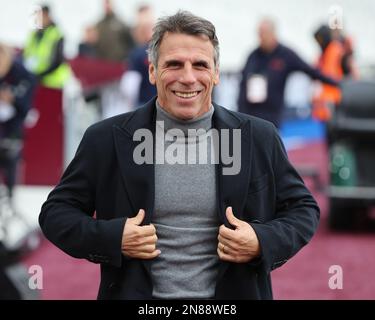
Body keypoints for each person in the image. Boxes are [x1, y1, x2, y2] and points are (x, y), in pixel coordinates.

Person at [39, 11, 319, 300]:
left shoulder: (260, 137)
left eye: (200, 65)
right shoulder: (105, 139)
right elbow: (56, 214)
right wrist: (113, 237)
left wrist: (261, 241)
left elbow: (303, 209)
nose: (188, 78)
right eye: (174, 64)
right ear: (152, 71)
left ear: (216, 72)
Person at [238, 18, 339, 128]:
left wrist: (338, 84)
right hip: (251, 115)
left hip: (272, 118)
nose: (261, 38)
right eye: (259, 34)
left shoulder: (285, 55)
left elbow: (311, 71)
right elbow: (243, 86)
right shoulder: (253, 56)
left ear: (273, 33)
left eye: (264, 34)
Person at [0, 44, 36, 198]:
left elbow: (26, 106)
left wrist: (13, 99)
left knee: (10, 160)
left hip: (12, 128)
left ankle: (10, 197)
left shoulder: (21, 74)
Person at [23, 5, 70, 89]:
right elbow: (26, 55)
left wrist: (41, 75)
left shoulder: (57, 34)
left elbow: (58, 61)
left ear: (48, 16)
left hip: (53, 82)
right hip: (36, 81)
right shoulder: (33, 35)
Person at [120, 5, 157, 109]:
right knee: (160, 125)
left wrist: (130, 107)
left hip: (144, 105)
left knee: (149, 125)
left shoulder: (137, 53)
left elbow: (129, 87)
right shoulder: (164, 50)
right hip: (161, 105)